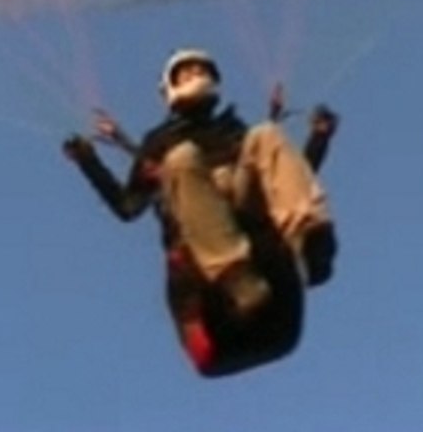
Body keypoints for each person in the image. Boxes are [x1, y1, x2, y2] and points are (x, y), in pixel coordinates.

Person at [62, 49, 340, 376]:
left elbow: (284, 181)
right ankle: (233, 274)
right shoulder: (158, 144)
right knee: (182, 159)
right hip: (217, 311)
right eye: (186, 71)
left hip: (267, 273)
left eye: (201, 69)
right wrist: (88, 161)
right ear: (169, 88)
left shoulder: (237, 132)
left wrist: (319, 138)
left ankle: (312, 245)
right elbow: (129, 206)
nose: (195, 74)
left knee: (267, 134)